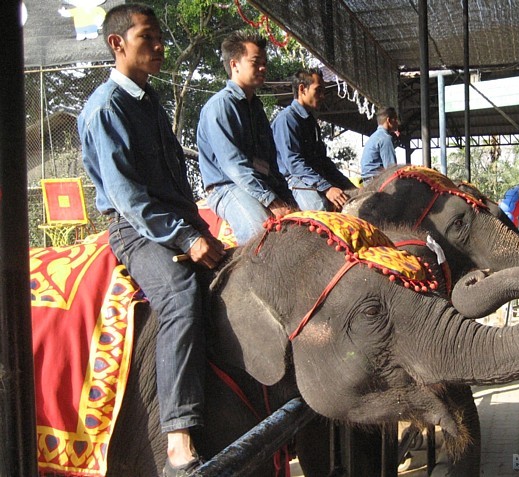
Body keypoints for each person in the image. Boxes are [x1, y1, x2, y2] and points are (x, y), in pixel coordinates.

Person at [78, 4, 226, 476]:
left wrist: (200, 230)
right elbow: (128, 198)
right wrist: (185, 234)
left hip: (176, 220)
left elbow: (176, 184)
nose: (161, 46)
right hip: (135, 228)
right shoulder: (106, 108)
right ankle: (178, 437)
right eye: (148, 37)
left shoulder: (149, 99)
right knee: (181, 294)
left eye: (161, 37)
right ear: (117, 44)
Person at [197, 32, 296, 245]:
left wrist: (290, 202)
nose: (263, 68)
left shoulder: (257, 108)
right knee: (264, 238)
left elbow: (271, 165)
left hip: (260, 183)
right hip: (227, 187)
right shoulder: (220, 106)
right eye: (255, 62)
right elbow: (234, 167)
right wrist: (272, 201)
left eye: (264, 62)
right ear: (235, 65)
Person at [272, 69, 356, 211]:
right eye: (318, 90)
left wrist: (352, 189)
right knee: (321, 210)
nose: (322, 96)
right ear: (302, 89)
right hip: (293, 180)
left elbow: (323, 161)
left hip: (312, 177)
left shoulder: (311, 122)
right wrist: (327, 188)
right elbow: (294, 164)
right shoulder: (287, 120)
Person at [360, 106, 400, 182]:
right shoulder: (385, 138)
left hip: (367, 179)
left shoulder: (375, 136)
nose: (397, 122)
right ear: (389, 120)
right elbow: (391, 168)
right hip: (375, 180)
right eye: (395, 119)